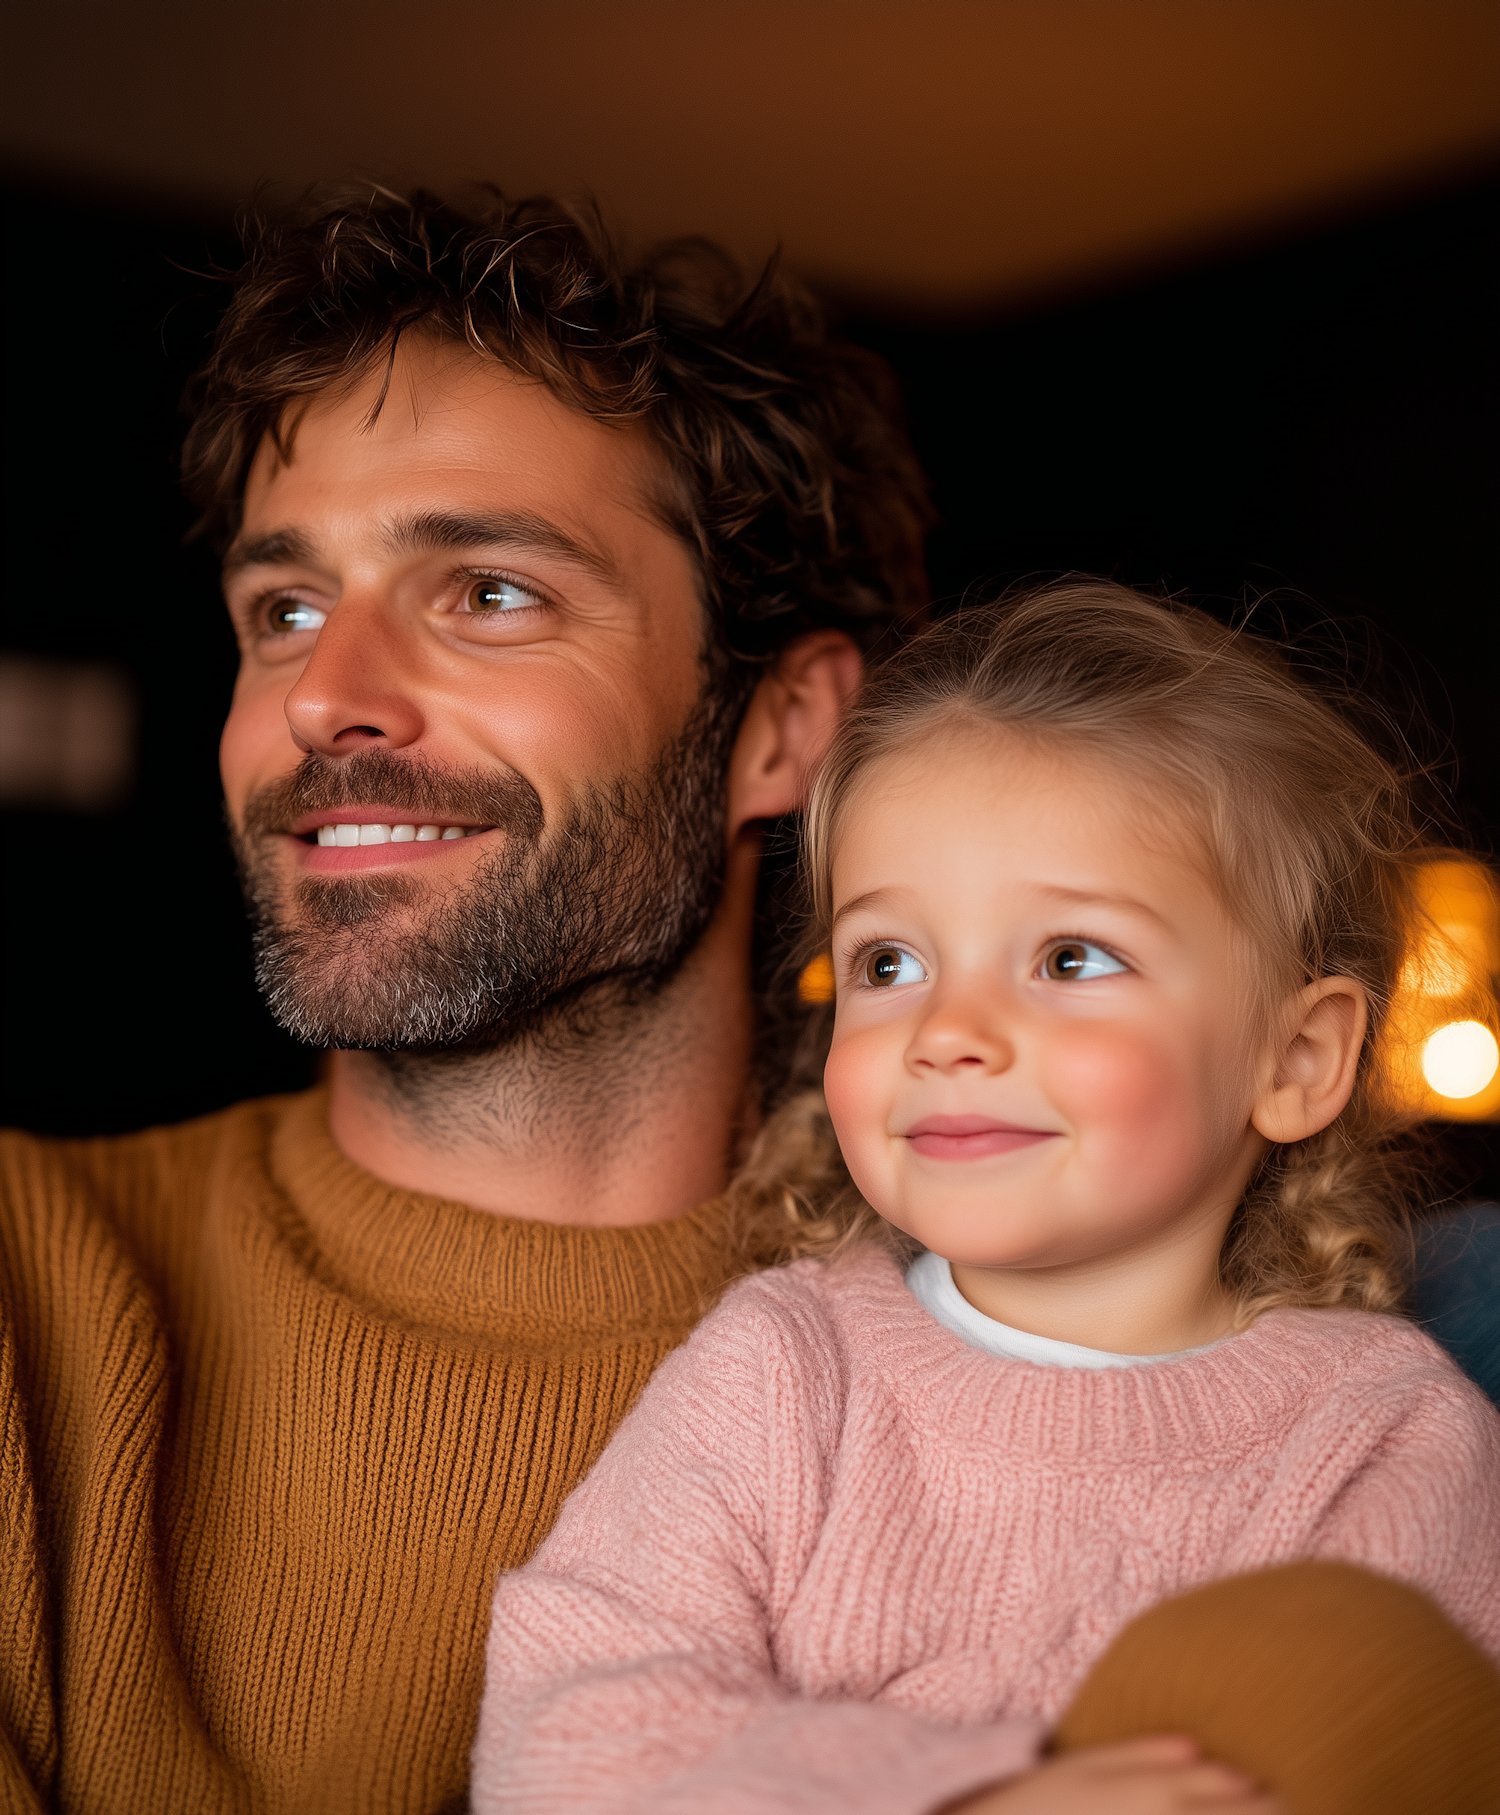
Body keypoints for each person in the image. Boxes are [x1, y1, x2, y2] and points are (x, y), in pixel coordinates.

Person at [0, 184, 931, 1815]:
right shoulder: (30, 1294)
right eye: (282, 611)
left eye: (488, 592)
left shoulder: (1017, 1367)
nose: (327, 700)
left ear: (783, 731)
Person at [473, 582, 1500, 1814]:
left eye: (1070, 959)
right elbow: (559, 1737)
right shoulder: (790, 1373)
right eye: (889, 963)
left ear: (1295, 1061)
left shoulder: (1380, 1437)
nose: (948, 1032)